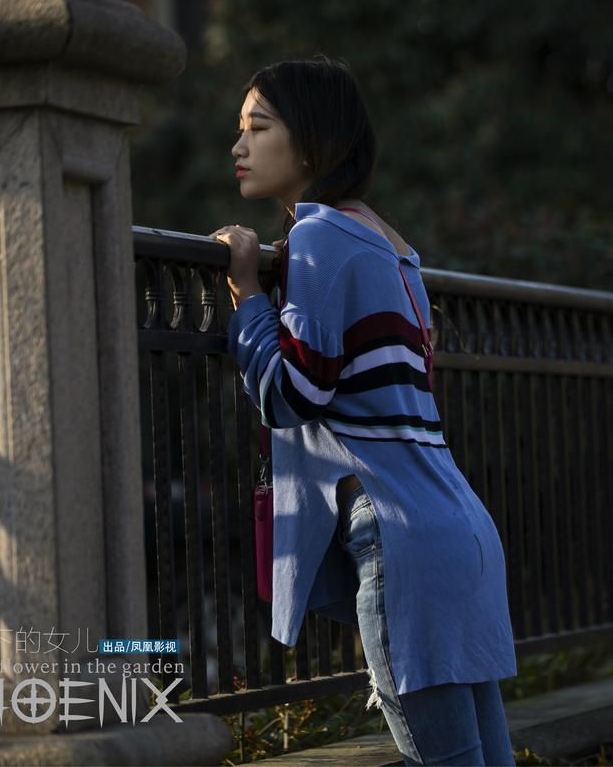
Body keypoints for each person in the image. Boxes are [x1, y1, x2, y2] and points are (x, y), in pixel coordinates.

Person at [210, 55, 519, 766]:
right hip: (459, 525)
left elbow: (293, 396)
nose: (238, 145)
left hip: (401, 533)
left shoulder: (321, 235)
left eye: (258, 127)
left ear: (311, 142)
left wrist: (249, 299)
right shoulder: (393, 246)